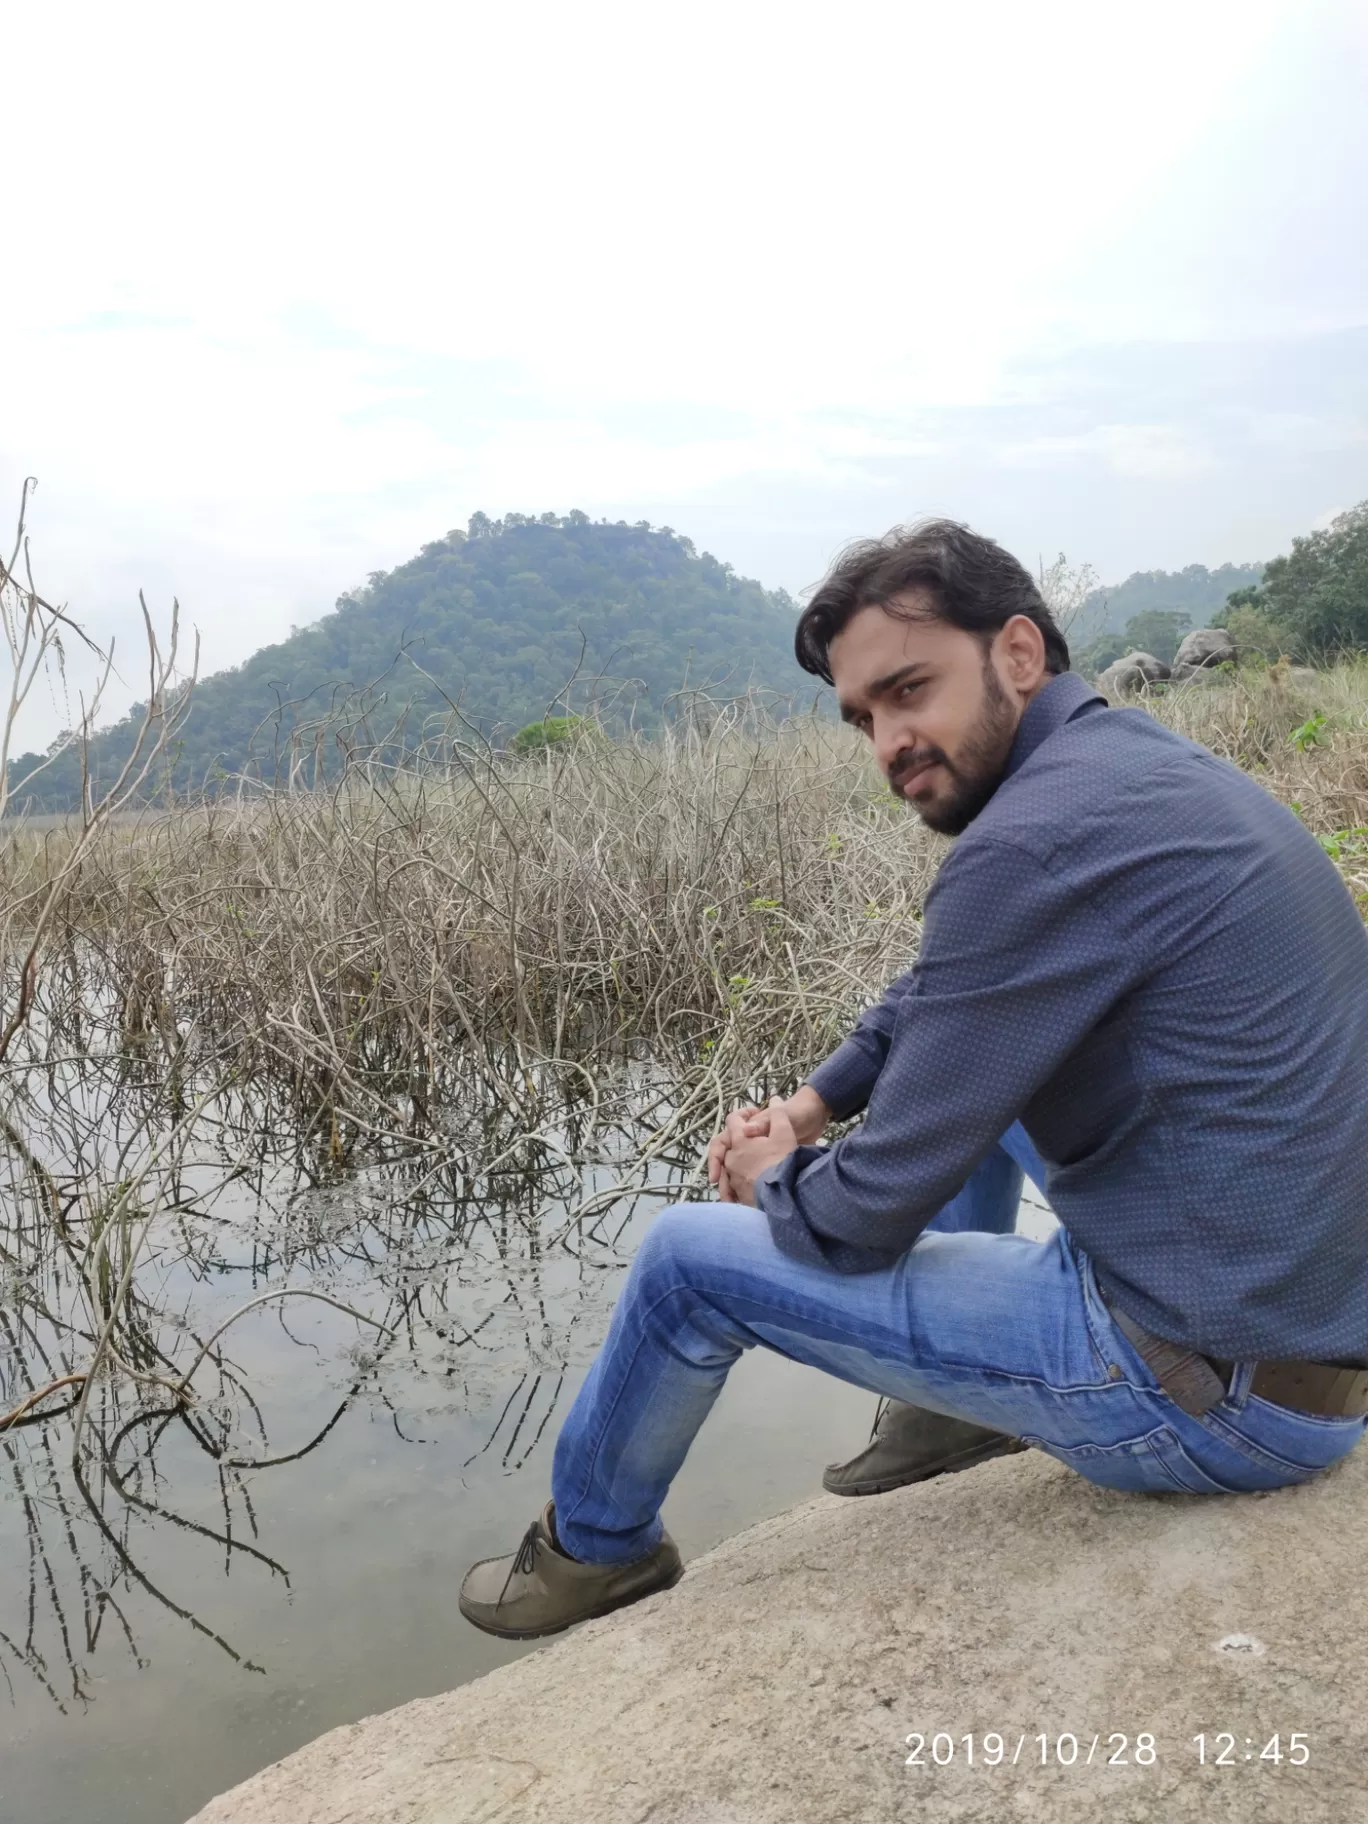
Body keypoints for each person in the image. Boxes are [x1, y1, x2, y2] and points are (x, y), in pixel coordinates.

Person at [459, 518, 1368, 1640]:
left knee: (682, 1263)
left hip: (1212, 1398)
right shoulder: (1129, 771)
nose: (891, 740)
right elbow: (951, 995)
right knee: (981, 1097)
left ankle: (593, 1553)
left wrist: (777, 1174)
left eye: (910, 690)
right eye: (865, 717)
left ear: (1019, 653)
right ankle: (951, 1418)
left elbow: (863, 1217)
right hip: (1296, 1333)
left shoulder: (1026, 843)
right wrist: (812, 1100)